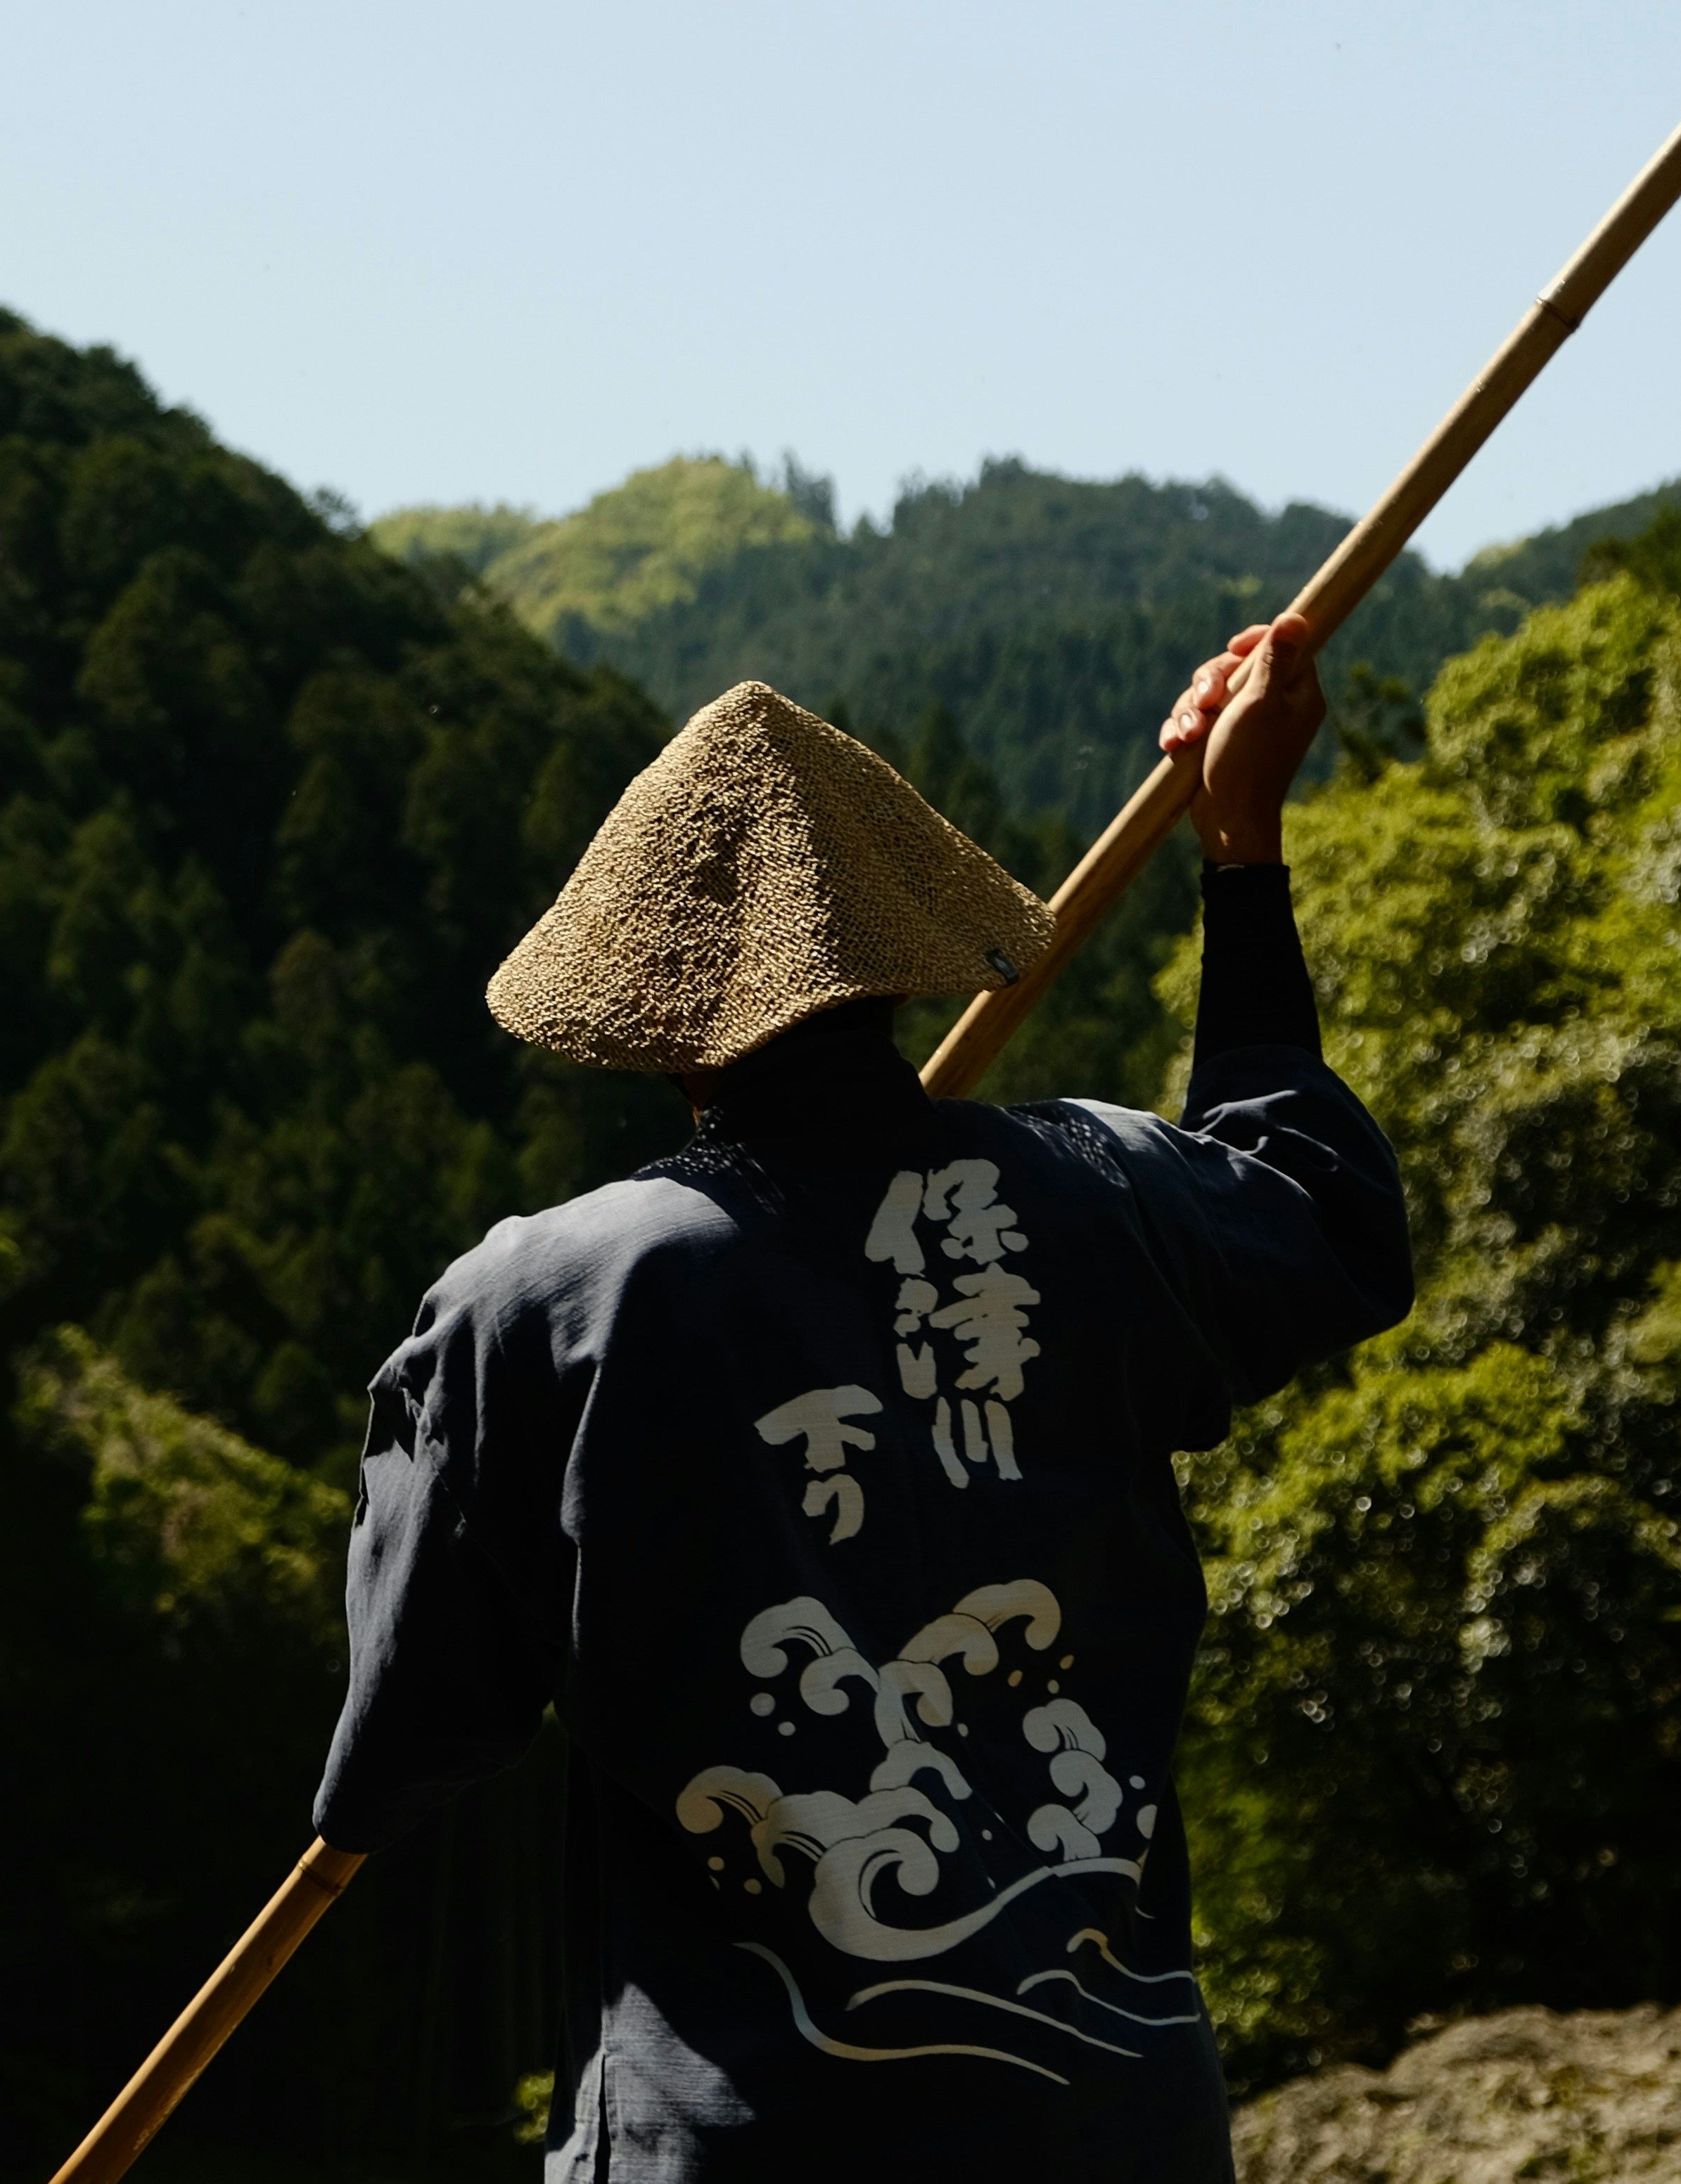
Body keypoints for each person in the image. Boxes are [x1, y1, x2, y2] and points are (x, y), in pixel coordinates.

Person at [308, 618, 1408, 2180]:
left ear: (649, 1014)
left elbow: (408, 1738)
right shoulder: (1104, 1191)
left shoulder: (539, 1303)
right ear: (894, 953)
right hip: (1116, 2126)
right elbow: (1323, 1211)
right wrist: (1239, 843)